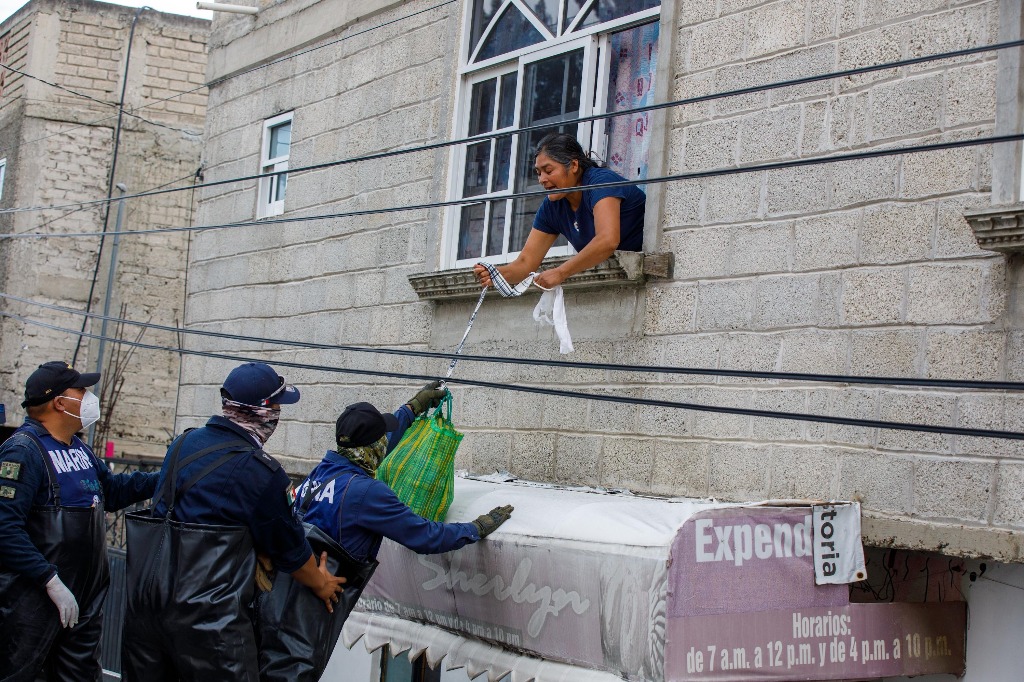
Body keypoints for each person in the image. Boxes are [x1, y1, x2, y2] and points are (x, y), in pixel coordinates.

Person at [257, 397, 514, 682]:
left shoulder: (323, 472)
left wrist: (412, 408)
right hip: (307, 617)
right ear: (372, 447)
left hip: (276, 602)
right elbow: (425, 536)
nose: (385, 445)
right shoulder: (368, 493)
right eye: (381, 440)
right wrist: (476, 527)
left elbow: (376, 447)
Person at [121, 362, 346, 682]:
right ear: (264, 411)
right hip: (210, 624)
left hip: (145, 611)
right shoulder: (262, 472)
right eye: (278, 405)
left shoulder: (182, 445)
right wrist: (322, 583)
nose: (280, 413)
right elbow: (291, 552)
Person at [0, 361, 160, 682]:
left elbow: (113, 492)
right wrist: (50, 581)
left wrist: (168, 475)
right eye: (81, 391)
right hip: (33, 605)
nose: (89, 397)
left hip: (83, 605)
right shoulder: (23, 452)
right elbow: (4, 528)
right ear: (60, 402)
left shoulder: (81, 450)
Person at [474, 132, 646, 290]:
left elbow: (607, 240)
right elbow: (526, 263)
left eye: (548, 171)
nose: (542, 179)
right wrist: (496, 274)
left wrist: (561, 272)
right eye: (538, 173)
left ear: (573, 165)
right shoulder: (552, 206)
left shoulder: (600, 182)